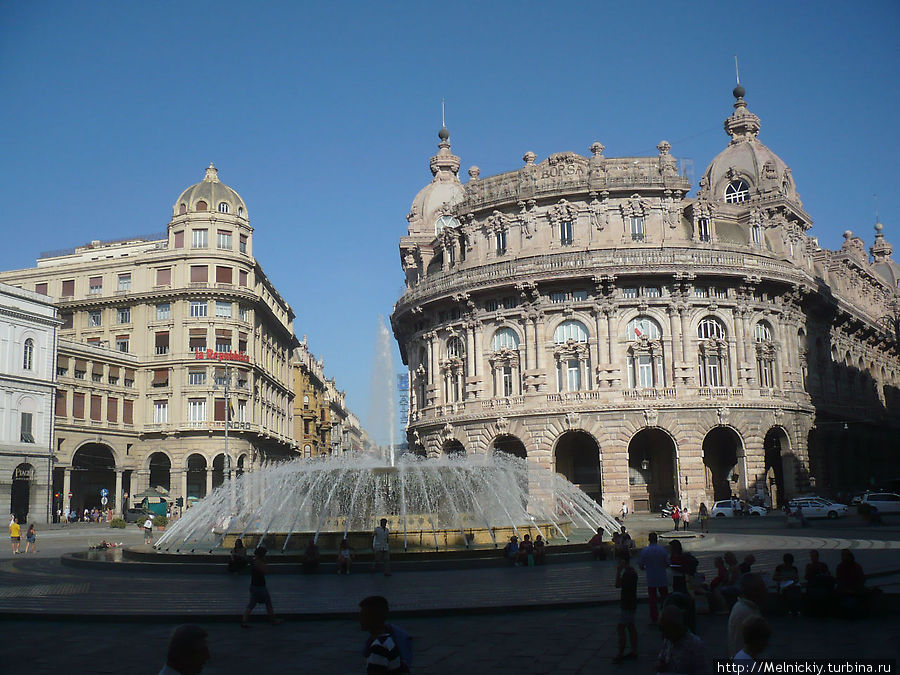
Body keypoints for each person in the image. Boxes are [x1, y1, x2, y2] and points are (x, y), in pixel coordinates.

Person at [654, 605, 709, 675]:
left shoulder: (695, 645)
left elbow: (703, 671)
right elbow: (662, 659)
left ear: (675, 628)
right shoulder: (668, 641)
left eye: (666, 630)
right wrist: (660, 664)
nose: (663, 635)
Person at [359, 595, 407, 674]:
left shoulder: (378, 648)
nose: (360, 620)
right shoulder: (388, 640)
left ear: (372, 618)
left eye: (363, 616)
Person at [727, 573, 767, 657]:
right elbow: (740, 644)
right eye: (763, 588)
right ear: (754, 591)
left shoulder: (742, 607)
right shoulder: (746, 613)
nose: (766, 591)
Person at [241, 547, 281, 627]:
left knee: (251, 604)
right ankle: (273, 620)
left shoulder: (254, 560)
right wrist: (264, 563)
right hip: (260, 586)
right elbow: (265, 571)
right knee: (268, 603)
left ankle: (244, 621)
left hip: (253, 585)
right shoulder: (258, 562)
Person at [612, 553, 638, 664]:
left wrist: (618, 571)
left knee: (621, 628)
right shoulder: (633, 572)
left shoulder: (627, 574)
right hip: (632, 602)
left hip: (626, 603)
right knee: (631, 627)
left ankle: (620, 653)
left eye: (619, 561)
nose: (618, 563)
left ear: (623, 561)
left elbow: (617, 585)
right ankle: (634, 650)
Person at [639, 532, 669, 623]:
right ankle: (666, 615)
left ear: (649, 539)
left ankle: (654, 617)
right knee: (665, 598)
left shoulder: (645, 551)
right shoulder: (662, 550)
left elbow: (641, 565)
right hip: (662, 577)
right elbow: (667, 563)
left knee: (652, 600)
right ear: (657, 539)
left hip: (651, 578)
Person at [836, 548, 867, 617]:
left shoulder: (856, 566)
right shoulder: (840, 567)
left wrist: (854, 588)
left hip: (855, 589)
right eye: (842, 555)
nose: (843, 557)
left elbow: (862, 579)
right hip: (844, 589)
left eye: (845, 555)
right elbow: (839, 580)